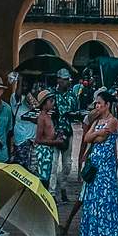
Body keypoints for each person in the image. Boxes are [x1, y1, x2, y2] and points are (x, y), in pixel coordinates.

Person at [78, 88, 118, 236]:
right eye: (96, 103)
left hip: (106, 165)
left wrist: (95, 135)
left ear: (107, 105)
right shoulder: (97, 122)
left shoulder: (112, 121)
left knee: (105, 199)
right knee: (93, 199)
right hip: (95, 164)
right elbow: (87, 137)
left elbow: (100, 138)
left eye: (99, 103)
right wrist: (96, 134)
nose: (97, 106)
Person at [53, 68, 82, 201]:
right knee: (53, 164)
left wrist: (74, 115)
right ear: (58, 80)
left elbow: (76, 112)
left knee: (67, 164)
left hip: (67, 132)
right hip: (53, 133)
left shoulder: (72, 95)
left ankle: (62, 183)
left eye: (67, 80)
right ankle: (52, 192)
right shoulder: (52, 95)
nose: (66, 82)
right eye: (64, 80)